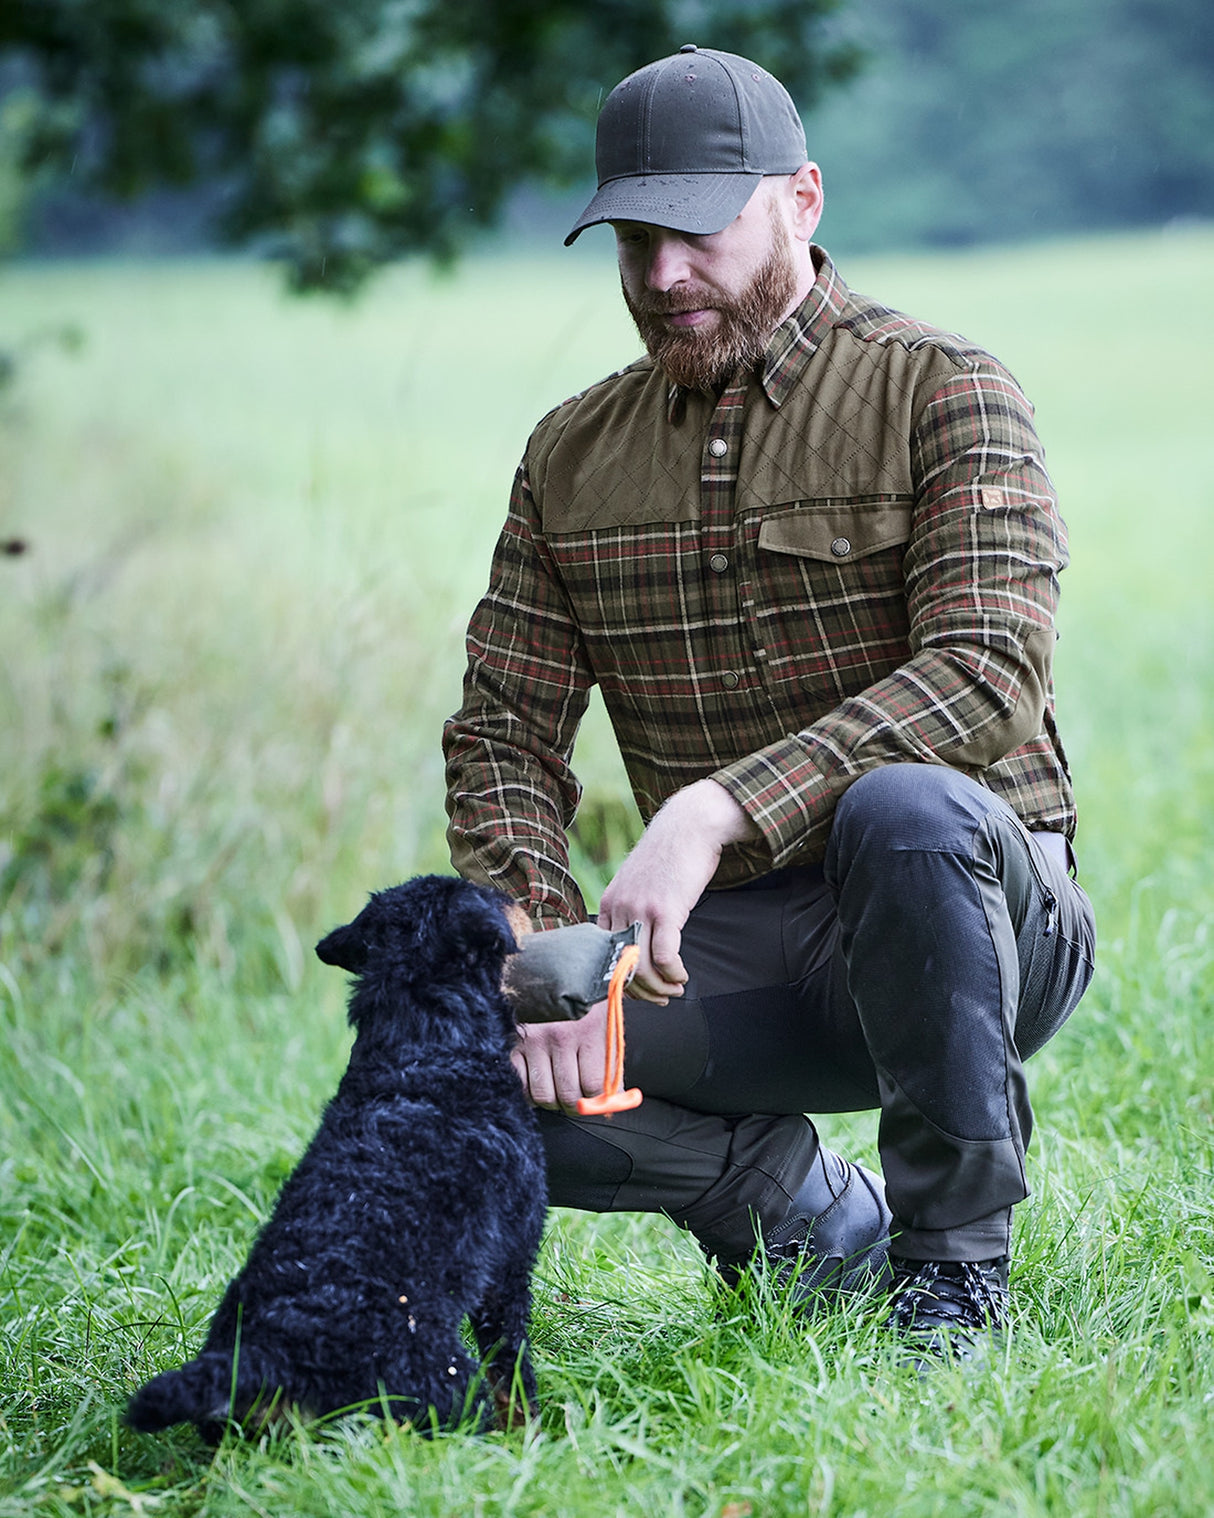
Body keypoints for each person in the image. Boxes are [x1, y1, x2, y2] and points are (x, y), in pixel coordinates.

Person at [443, 45, 1096, 1363]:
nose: (662, 275)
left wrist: (716, 808)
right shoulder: (569, 453)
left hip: (970, 915)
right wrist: (551, 941)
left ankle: (951, 1280)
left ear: (800, 200)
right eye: (634, 237)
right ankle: (801, 1215)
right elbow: (502, 726)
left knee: (905, 809)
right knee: (453, 1050)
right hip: (728, 958)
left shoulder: (943, 390)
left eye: (696, 231)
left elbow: (985, 671)